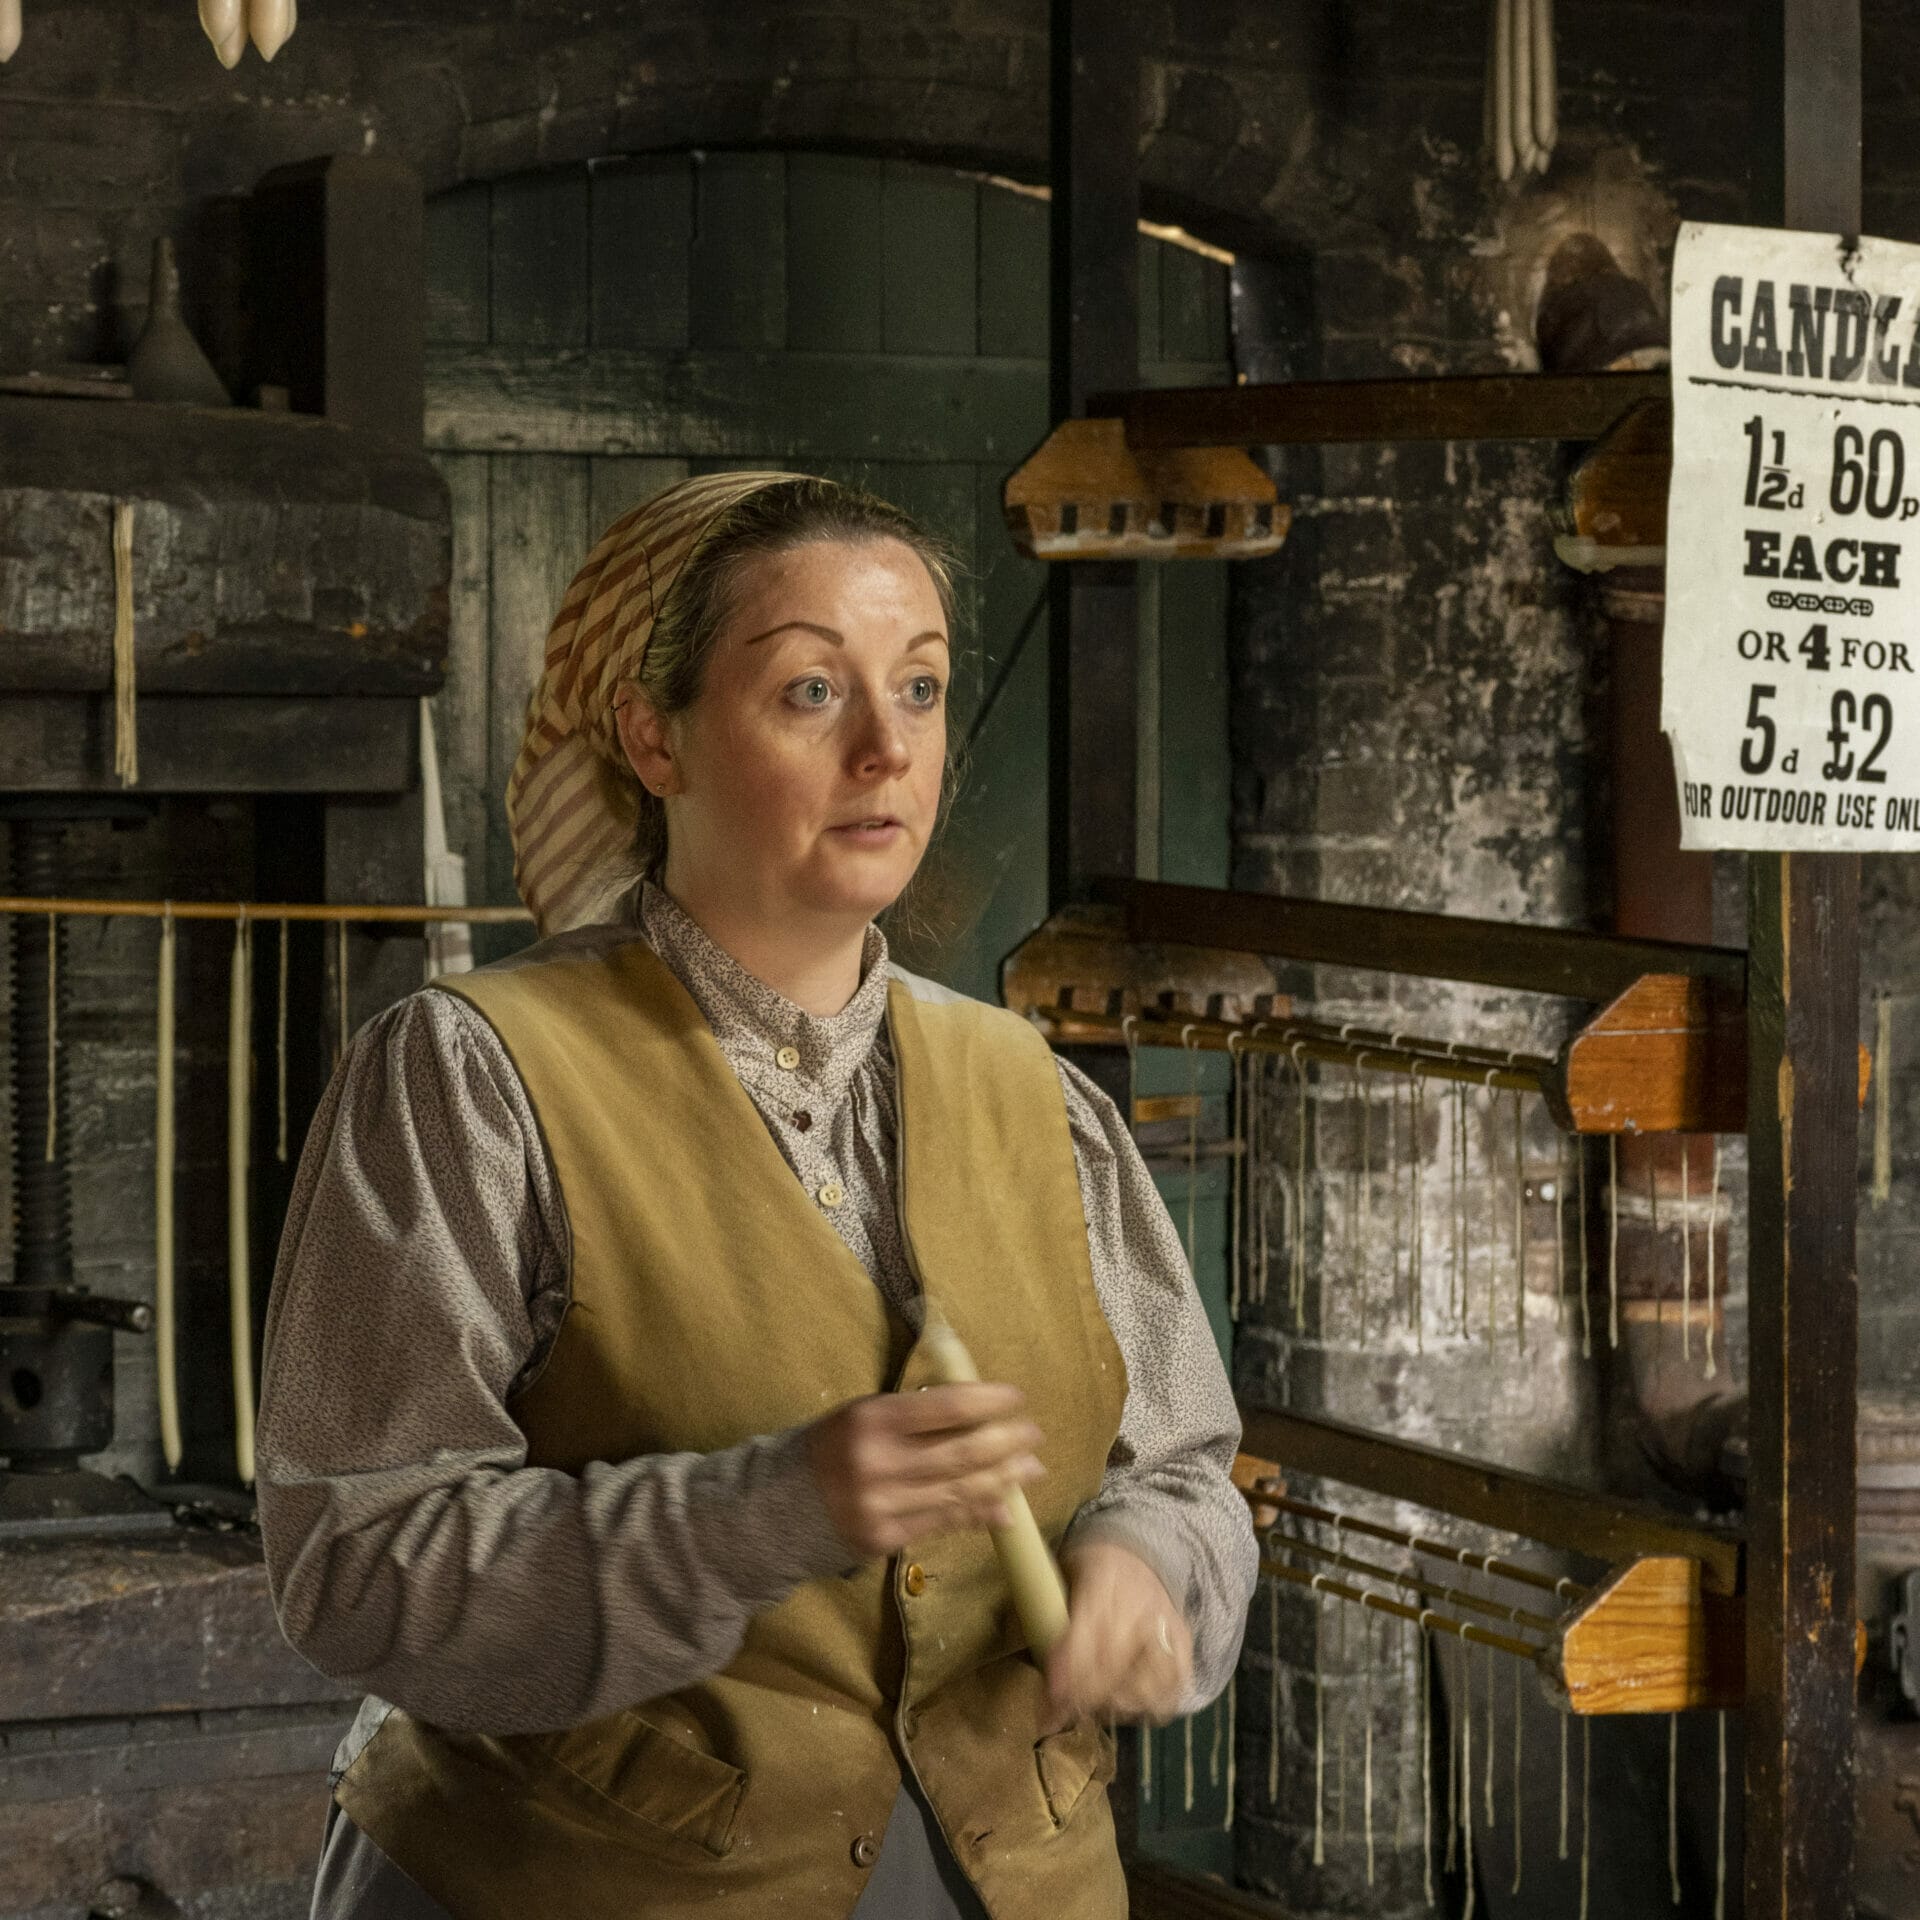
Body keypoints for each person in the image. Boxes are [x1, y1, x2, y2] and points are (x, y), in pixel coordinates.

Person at [256, 472, 1258, 1920]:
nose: (885, 749)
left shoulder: (1037, 1095)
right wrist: (763, 1514)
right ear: (654, 738)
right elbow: (358, 1564)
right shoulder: (472, 1079)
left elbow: (1182, 1467)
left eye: (918, 690)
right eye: (808, 691)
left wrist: (1147, 1567)